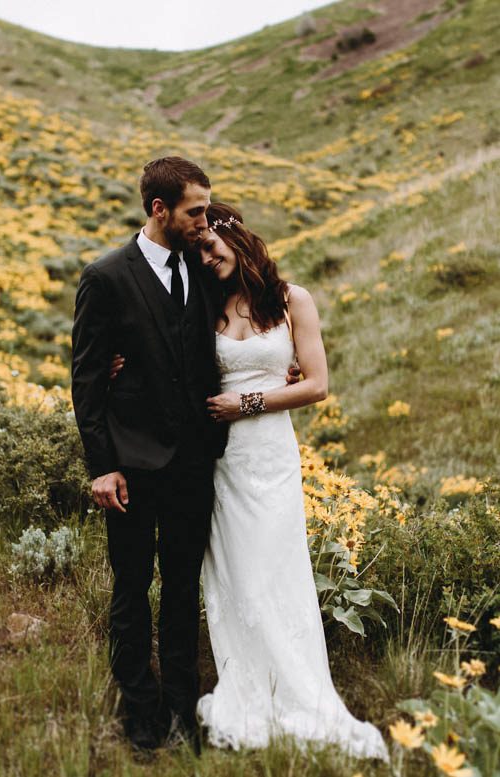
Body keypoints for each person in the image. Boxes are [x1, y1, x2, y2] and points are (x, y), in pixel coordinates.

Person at [71, 157, 300, 755]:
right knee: (130, 592)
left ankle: (180, 711)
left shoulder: (205, 275)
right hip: (130, 467)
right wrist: (101, 465)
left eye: (207, 209)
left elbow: (241, 328)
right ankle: (139, 713)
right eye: (195, 210)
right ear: (159, 209)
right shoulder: (106, 277)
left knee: (180, 594)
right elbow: (88, 381)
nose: (205, 220)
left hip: (197, 466)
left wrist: (282, 367)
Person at [194, 202, 389, 761]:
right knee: (236, 580)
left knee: (277, 573)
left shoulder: (289, 299)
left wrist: (248, 401)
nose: (206, 258)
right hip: (219, 462)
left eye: (212, 245)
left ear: (235, 236)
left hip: (270, 455)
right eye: (198, 251)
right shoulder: (204, 304)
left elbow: (317, 385)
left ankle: (298, 690)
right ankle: (247, 681)